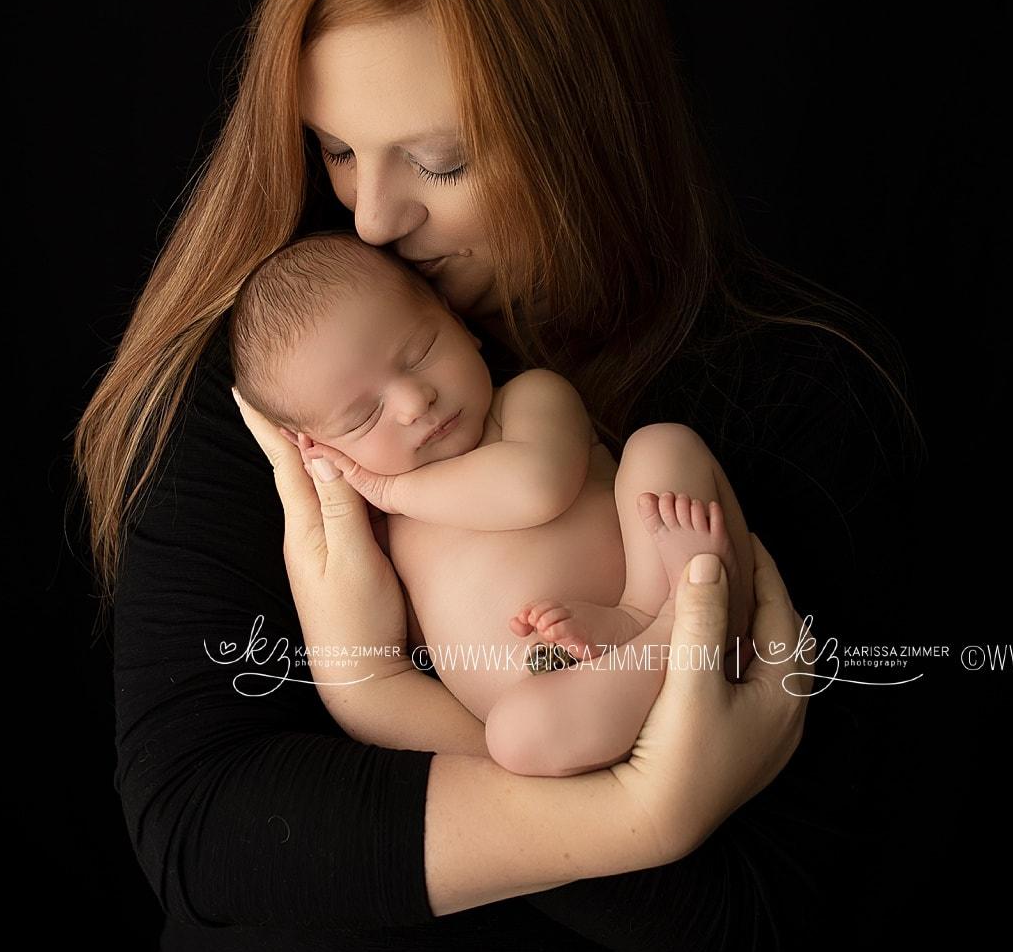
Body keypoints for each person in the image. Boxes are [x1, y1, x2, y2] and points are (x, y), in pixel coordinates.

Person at [73, 0, 919, 952]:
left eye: (443, 157)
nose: (371, 212)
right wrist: (644, 806)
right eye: (337, 148)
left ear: (591, 120)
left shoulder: (791, 392)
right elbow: (208, 822)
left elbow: (739, 924)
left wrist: (400, 726)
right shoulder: (294, 363)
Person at [224, 229, 761, 778]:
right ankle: (676, 638)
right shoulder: (373, 535)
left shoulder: (528, 401)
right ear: (318, 447)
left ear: (458, 323)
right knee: (512, 735)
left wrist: (390, 489)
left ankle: (667, 621)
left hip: (654, 600)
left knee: (663, 446)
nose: (414, 402)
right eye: (361, 418)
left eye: (420, 353)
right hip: (580, 708)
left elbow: (535, 489)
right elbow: (390, 658)